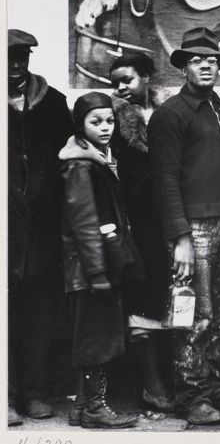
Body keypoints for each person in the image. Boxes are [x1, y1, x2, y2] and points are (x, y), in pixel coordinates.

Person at [149, 26, 220, 426]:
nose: (206, 65)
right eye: (196, 59)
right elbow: (165, 180)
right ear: (183, 68)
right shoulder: (170, 115)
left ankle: (217, 385)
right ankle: (191, 395)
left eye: (212, 60)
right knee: (194, 314)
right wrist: (180, 239)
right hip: (194, 228)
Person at [60, 92, 142, 429]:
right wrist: (96, 272)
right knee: (97, 337)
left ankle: (82, 407)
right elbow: (83, 223)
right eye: (96, 122)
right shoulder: (80, 165)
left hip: (94, 267)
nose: (106, 127)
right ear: (80, 125)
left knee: (94, 334)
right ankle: (95, 408)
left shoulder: (96, 159)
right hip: (91, 269)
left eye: (110, 120)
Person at [8, 29, 73, 426]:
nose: (16, 67)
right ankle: (5, 396)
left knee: (38, 312)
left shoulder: (53, 103)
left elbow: (68, 156)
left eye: (22, 58)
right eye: (8, 59)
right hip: (6, 231)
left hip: (43, 230)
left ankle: (32, 392)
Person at [108, 52, 175, 413]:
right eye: (115, 81)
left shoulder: (167, 114)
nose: (121, 88)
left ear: (147, 78)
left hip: (171, 223)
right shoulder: (115, 123)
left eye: (128, 79)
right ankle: (152, 384)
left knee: (173, 301)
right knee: (143, 300)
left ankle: (171, 378)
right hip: (139, 226)